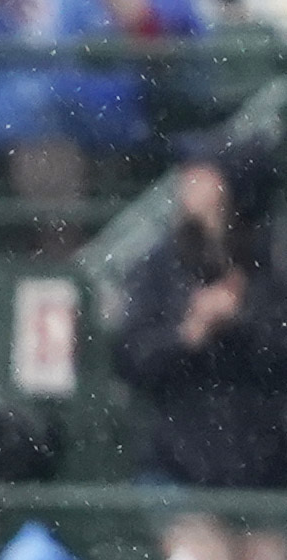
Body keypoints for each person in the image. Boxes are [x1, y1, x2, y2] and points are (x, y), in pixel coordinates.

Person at [111, 133, 287, 499]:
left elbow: (275, 353)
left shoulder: (273, 262)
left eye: (203, 174)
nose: (187, 182)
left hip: (266, 467)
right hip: (178, 463)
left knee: (270, 557)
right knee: (203, 557)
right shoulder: (162, 265)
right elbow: (133, 357)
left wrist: (240, 320)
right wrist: (191, 332)